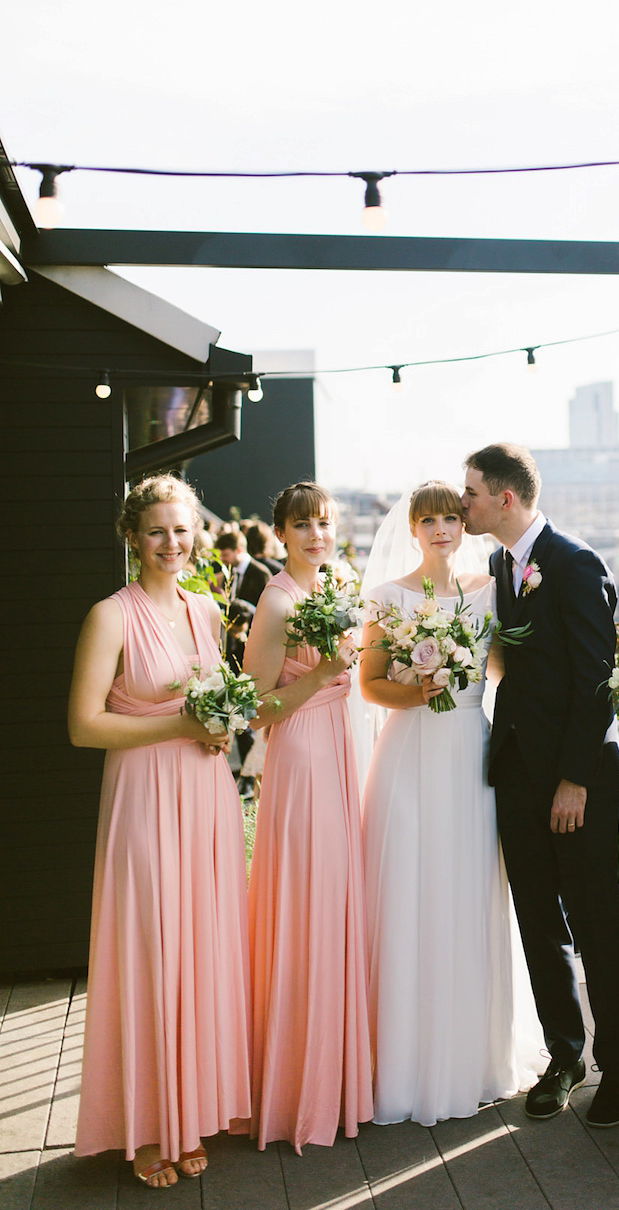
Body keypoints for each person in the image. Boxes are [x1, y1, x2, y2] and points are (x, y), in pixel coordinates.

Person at [68, 475, 251, 1190]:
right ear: (132, 536)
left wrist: (218, 727)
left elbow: (219, 700)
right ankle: (146, 1126)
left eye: (182, 530)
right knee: (150, 951)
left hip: (205, 797)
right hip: (143, 798)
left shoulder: (206, 611)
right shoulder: (109, 616)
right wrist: (179, 724)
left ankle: (191, 1110)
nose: (171, 543)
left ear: (196, 535)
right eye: (156, 531)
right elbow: (84, 726)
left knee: (199, 949)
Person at [462, 444, 619, 1127]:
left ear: (506, 499)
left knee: (596, 922)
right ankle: (564, 1056)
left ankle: (617, 1070)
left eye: (471, 492)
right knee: (538, 921)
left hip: (578, 781)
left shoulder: (573, 562)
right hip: (515, 774)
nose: (464, 502)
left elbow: (599, 679)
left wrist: (573, 780)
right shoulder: (500, 565)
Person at [359, 481, 543, 1126]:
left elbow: (500, 669)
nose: (441, 528)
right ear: (411, 528)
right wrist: (423, 684)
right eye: (428, 519)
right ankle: (406, 1061)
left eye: (449, 517)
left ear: (464, 524)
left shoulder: (490, 591)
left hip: (470, 751)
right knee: (410, 893)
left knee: (468, 892)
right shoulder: (386, 598)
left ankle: (472, 1056)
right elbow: (371, 685)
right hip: (409, 755)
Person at [244, 481, 372, 1152]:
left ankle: (337, 1075)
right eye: (302, 525)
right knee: (306, 901)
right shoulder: (276, 601)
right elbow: (255, 706)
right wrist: (319, 673)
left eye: (323, 523)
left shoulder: (335, 587)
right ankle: (298, 1087)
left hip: (340, 751)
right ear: (281, 534)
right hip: (299, 755)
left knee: (335, 901)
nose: (315, 535)